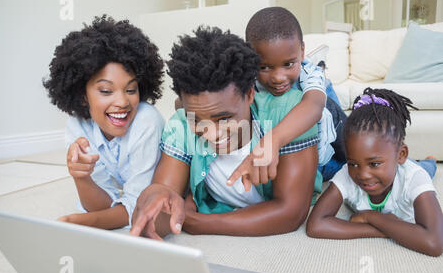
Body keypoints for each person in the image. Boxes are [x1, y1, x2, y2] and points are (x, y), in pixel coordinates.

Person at [129, 26, 322, 240]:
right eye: (198, 120)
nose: (212, 135)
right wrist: (156, 197)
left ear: (249, 94)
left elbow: (290, 214)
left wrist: (195, 222)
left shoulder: (286, 113)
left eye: (224, 119)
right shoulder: (181, 125)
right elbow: (162, 212)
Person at [43, 15, 165, 229]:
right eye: (106, 91)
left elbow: (139, 208)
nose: (122, 102)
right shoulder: (78, 127)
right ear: (82, 95)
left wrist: (76, 222)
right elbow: (102, 205)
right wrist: (81, 177)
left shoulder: (147, 121)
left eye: (131, 90)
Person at [306, 88, 443, 257]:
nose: (363, 174)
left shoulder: (413, 177)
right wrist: (382, 228)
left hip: (410, 168)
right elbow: (315, 226)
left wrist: (371, 217)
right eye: (353, 163)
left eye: (374, 163)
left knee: (426, 169)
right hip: (395, 166)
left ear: (401, 154)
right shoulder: (347, 174)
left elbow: (434, 242)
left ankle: (430, 161)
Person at [226, 6, 346, 188]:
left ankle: (323, 73)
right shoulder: (248, 79)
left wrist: (271, 141)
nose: (278, 77)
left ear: (302, 51)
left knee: (354, 160)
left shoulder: (307, 72)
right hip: (294, 157)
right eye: (264, 67)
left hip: (326, 155)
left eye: (288, 64)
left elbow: (313, 106)